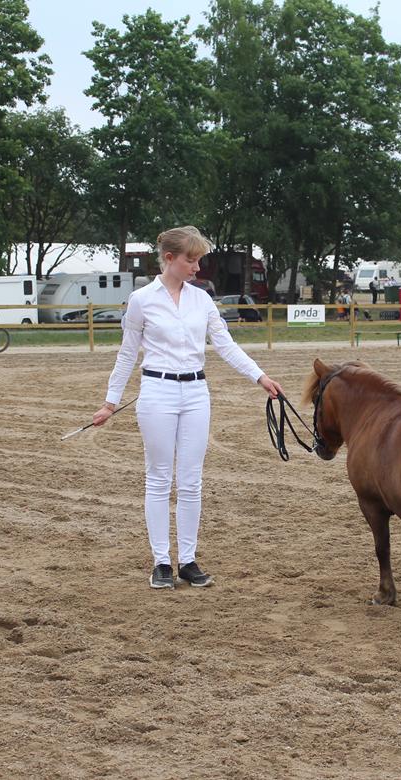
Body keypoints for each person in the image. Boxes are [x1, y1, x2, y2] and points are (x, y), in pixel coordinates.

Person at [92, 226, 283, 590]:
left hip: (196, 393)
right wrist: (110, 401)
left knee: (192, 480)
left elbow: (225, 346)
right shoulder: (141, 300)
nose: (197, 267)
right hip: (157, 392)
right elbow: (128, 353)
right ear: (169, 259)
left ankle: (189, 560)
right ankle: (161, 561)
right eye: (191, 260)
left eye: (198, 260)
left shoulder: (202, 300)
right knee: (160, 478)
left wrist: (260, 377)